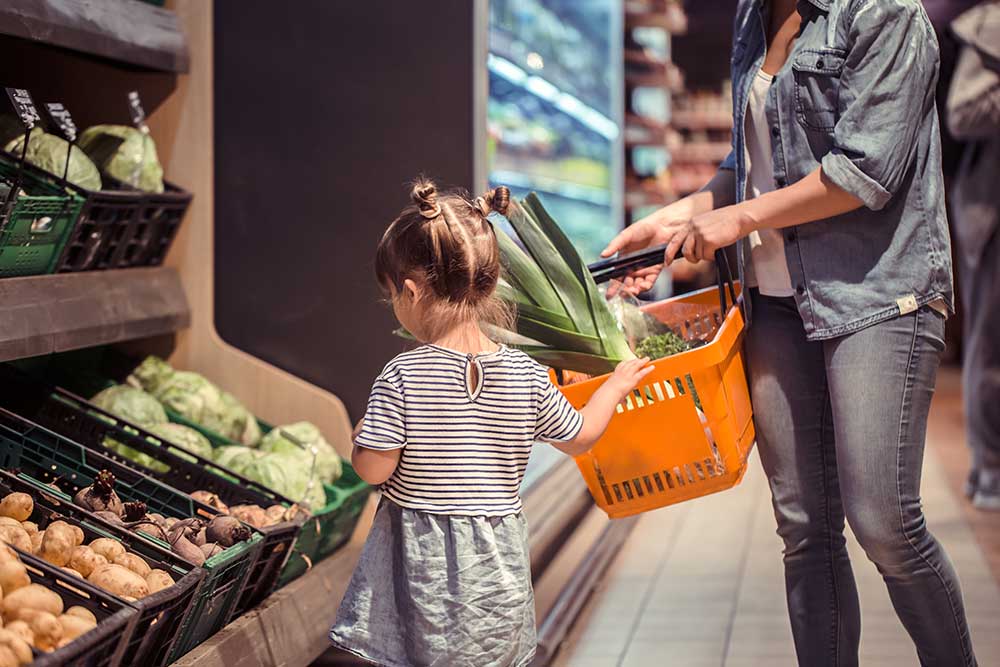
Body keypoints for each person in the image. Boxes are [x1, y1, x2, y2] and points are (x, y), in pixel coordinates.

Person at [602, 0, 978, 664]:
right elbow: (749, 164)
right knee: (805, 530)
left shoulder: (883, 13)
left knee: (884, 521)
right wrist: (674, 219)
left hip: (878, 294)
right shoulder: (755, 13)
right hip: (775, 303)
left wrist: (738, 220)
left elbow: (867, 172)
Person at [328, 179, 653, 667]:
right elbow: (580, 436)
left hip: (424, 572)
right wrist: (614, 386)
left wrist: (362, 441)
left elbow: (374, 469)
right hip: (496, 571)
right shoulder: (525, 371)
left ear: (411, 291)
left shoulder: (401, 375)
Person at [947, 0, 1000, 511]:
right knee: (991, 345)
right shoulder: (990, 27)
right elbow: (962, 114)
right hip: (992, 211)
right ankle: (990, 466)